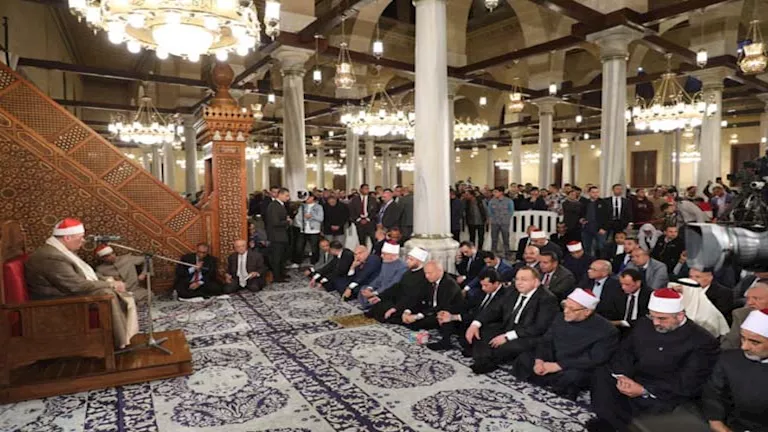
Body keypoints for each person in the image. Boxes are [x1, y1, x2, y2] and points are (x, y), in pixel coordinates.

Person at [587, 288, 720, 432]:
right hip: (634, 377)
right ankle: (611, 421)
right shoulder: (644, 323)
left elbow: (689, 381)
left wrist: (644, 390)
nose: (655, 322)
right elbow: (625, 352)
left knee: (664, 407)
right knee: (601, 374)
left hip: (664, 389)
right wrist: (622, 376)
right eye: (652, 316)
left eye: (662, 318)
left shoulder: (702, 340)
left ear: (680, 315)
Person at [25, 218, 139, 349]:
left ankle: (120, 337)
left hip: (64, 293)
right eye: (80, 237)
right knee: (106, 293)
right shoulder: (51, 257)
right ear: (67, 238)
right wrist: (110, 285)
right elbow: (75, 286)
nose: (83, 241)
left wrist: (108, 280)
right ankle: (115, 341)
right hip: (54, 302)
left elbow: (84, 274)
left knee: (109, 286)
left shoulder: (60, 250)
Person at [513, 288, 619, 400]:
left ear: (587, 312)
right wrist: (540, 360)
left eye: (571, 309)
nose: (566, 311)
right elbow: (546, 341)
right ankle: (546, 378)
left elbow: (595, 358)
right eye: (565, 306)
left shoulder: (607, 330)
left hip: (574, 365)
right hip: (552, 358)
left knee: (572, 377)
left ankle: (551, 384)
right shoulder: (560, 317)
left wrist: (559, 366)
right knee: (524, 358)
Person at [465, 266, 559, 374]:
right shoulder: (513, 290)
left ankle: (487, 360)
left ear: (536, 282)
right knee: (481, 332)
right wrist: (475, 324)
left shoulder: (547, 299)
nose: (519, 283)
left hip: (527, 334)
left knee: (505, 346)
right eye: (517, 279)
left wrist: (507, 336)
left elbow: (539, 327)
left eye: (524, 279)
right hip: (509, 326)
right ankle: (485, 359)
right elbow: (495, 308)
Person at [703, 309, 768, 432]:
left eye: (755, 342)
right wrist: (717, 424)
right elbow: (713, 395)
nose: (744, 347)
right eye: (743, 338)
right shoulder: (728, 360)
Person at [428, 268, 508, 354]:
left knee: (465, 341)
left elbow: (487, 315)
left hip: (489, 324)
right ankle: (445, 342)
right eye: (481, 285)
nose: (483, 288)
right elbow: (467, 304)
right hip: (474, 318)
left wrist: (456, 317)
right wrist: (447, 311)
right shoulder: (483, 291)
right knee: (448, 314)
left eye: (486, 285)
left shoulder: (504, 296)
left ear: (496, 283)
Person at [367, 247, 431, 323]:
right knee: (379, 305)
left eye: (411, 260)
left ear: (419, 261)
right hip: (400, 300)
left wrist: (396, 308)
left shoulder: (423, 276)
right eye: (408, 258)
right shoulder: (408, 273)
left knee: (388, 312)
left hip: (411, 304)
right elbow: (397, 287)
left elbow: (414, 297)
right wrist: (380, 296)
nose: (407, 261)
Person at [399, 261, 464, 330]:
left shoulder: (450, 284)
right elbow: (418, 296)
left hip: (445, 312)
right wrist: (407, 311)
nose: (427, 276)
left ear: (440, 271)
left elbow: (441, 306)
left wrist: (417, 316)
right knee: (402, 315)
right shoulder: (429, 279)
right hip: (431, 309)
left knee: (419, 323)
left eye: (429, 273)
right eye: (425, 273)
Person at [596, 268, 652, 333]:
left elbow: (646, 319)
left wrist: (622, 322)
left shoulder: (649, 295)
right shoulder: (617, 291)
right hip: (618, 329)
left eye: (627, 284)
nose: (623, 287)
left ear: (638, 283)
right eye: (621, 284)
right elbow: (608, 310)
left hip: (640, 329)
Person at [358, 242, 408, 309]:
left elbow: (392, 285)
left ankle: (371, 304)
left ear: (392, 255)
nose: (381, 256)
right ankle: (370, 303)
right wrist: (370, 288)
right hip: (379, 289)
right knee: (363, 288)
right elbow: (380, 277)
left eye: (384, 254)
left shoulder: (402, 267)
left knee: (383, 298)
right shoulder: (386, 261)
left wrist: (374, 293)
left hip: (388, 292)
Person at [722, 280, 768, 350]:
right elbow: (730, 344)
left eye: (756, 298)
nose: (749, 303)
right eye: (748, 298)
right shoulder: (742, 315)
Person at [266, 187, 291, 282]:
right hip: (276, 235)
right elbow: (275, 222)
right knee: (277, 257)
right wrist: (287, 222)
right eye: (286, 196)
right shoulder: (274, 206)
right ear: (280, 195)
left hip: (281, 235)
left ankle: (281, 273)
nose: (288, 198)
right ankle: (277, 276)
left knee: (282, 256)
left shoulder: (281, 205)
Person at [486, 187, 515, 257]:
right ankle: (493, 253)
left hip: (504, 222)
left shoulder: (509, 201)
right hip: (494, 222)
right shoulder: (492, 201)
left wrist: (506, 219)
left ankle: (507, 252)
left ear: (501, 192)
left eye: (496, 192)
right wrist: (493, 218)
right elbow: (490, 211)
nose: (494, 193)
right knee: (494, 238)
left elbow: (511, 211)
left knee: (506, 238)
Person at [348, 184, 379, 248]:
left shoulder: (373, 199)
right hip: (359, 223)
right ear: (361, 190)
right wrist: (359, 219)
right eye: (365, 188)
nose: (367, 190)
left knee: (374, 240)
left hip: (370, 223)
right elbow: (352, 211)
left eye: (368, 188)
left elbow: (375, 211)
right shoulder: (354, 200)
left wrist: (367, 219)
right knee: (362, 241)